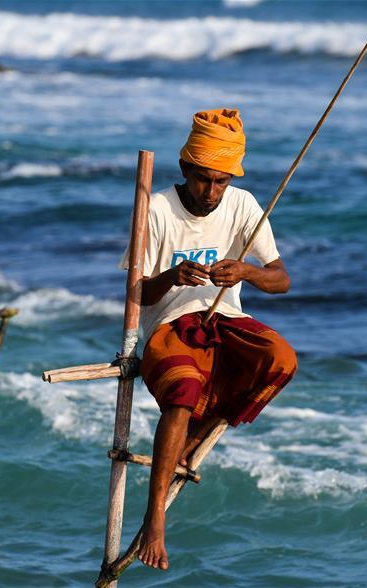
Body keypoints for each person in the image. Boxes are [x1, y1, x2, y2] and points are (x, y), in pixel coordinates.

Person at [121, 108, 298, 571]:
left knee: (280, 359)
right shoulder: (157, 209)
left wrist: (248, 272)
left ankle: (199, 429)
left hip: (225, 319)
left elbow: (281, 279)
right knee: (182, 392)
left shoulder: (242, 205)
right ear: (185, 169)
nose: (212, 192)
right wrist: (172, 277)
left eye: (221, 181)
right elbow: (135, 293)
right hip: (169, 326)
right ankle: (154, 517)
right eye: (204, 180)